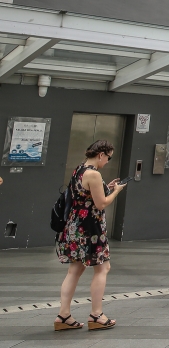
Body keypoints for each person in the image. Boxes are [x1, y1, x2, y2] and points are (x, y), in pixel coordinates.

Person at [54, 140, 126, 331]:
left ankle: (63, 315)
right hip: (90, 229)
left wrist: (107, 187)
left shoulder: (79, 169)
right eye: (108, 157)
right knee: (103, 268)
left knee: (74, 270)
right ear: (101, 154)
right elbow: (101, 204)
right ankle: (96, 314)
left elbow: (85, 196)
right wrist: (116, 191)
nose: (108, 161)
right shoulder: (94, 174)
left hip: (74, 226)